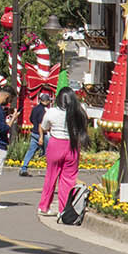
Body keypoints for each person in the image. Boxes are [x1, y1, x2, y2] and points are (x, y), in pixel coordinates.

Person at [37, 86, 88, 217]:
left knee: (51, 177)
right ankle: (64, 210)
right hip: (72, 146)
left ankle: (44, 206)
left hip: (56, 144)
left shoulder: (51, 112)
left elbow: (44, 127)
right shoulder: (79, 111)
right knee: (68, 180)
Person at [18, 94, 49, 177]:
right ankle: (51, 170)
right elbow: (40, 124)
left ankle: (24, 168)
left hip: (34, 132)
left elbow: (31, 119)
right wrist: (41, 137)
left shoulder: (35, 108)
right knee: (48, 152)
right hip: (42, 134)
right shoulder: (43, 111)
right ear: (46, 101)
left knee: (31, 151)